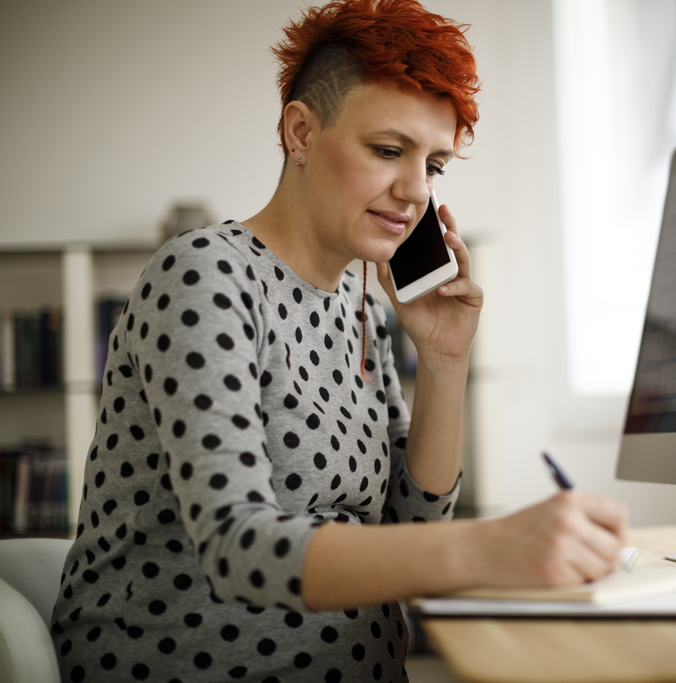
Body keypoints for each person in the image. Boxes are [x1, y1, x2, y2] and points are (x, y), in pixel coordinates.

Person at [50, 1, 629, 681]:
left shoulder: (359, 305)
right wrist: (493, 544)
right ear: (300, 131)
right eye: (388, 150)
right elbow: (240, 547)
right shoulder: (205, 272)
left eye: (434, 165)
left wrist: (444, 360)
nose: (415, 191)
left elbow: (414, 533)